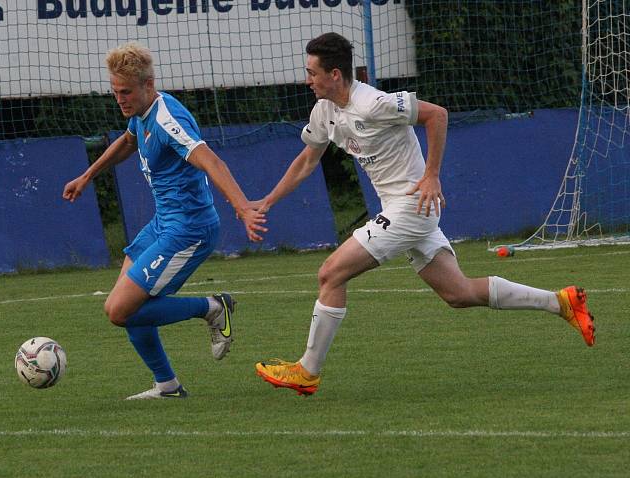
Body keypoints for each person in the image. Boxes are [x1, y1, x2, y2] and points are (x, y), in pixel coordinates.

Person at [253, 32, 595, 396]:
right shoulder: (324, 111)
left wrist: (431, 174)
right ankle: (561, 302)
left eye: (312, 72)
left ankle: (307, 371)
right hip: (405, 210)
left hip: (411, 207)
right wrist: (268, 200)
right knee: (459, 293)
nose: (307, 79)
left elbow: (437, 115)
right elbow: (307, 160)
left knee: (330, 273)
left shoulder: (373, 103)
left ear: (334, 74)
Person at [63, 42, 266, 399]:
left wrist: (242, 206)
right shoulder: (140, 114)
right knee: (126, 305)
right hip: (163, 224)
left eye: (126, 92)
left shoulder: (167, 118)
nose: (120, 99)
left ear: (148, 84)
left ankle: (213, 307)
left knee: (119, 310)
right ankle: (167, 386)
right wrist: (87, 175)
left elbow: (212, 162)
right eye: (115, 92)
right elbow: (127, 141)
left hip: (189, 230)